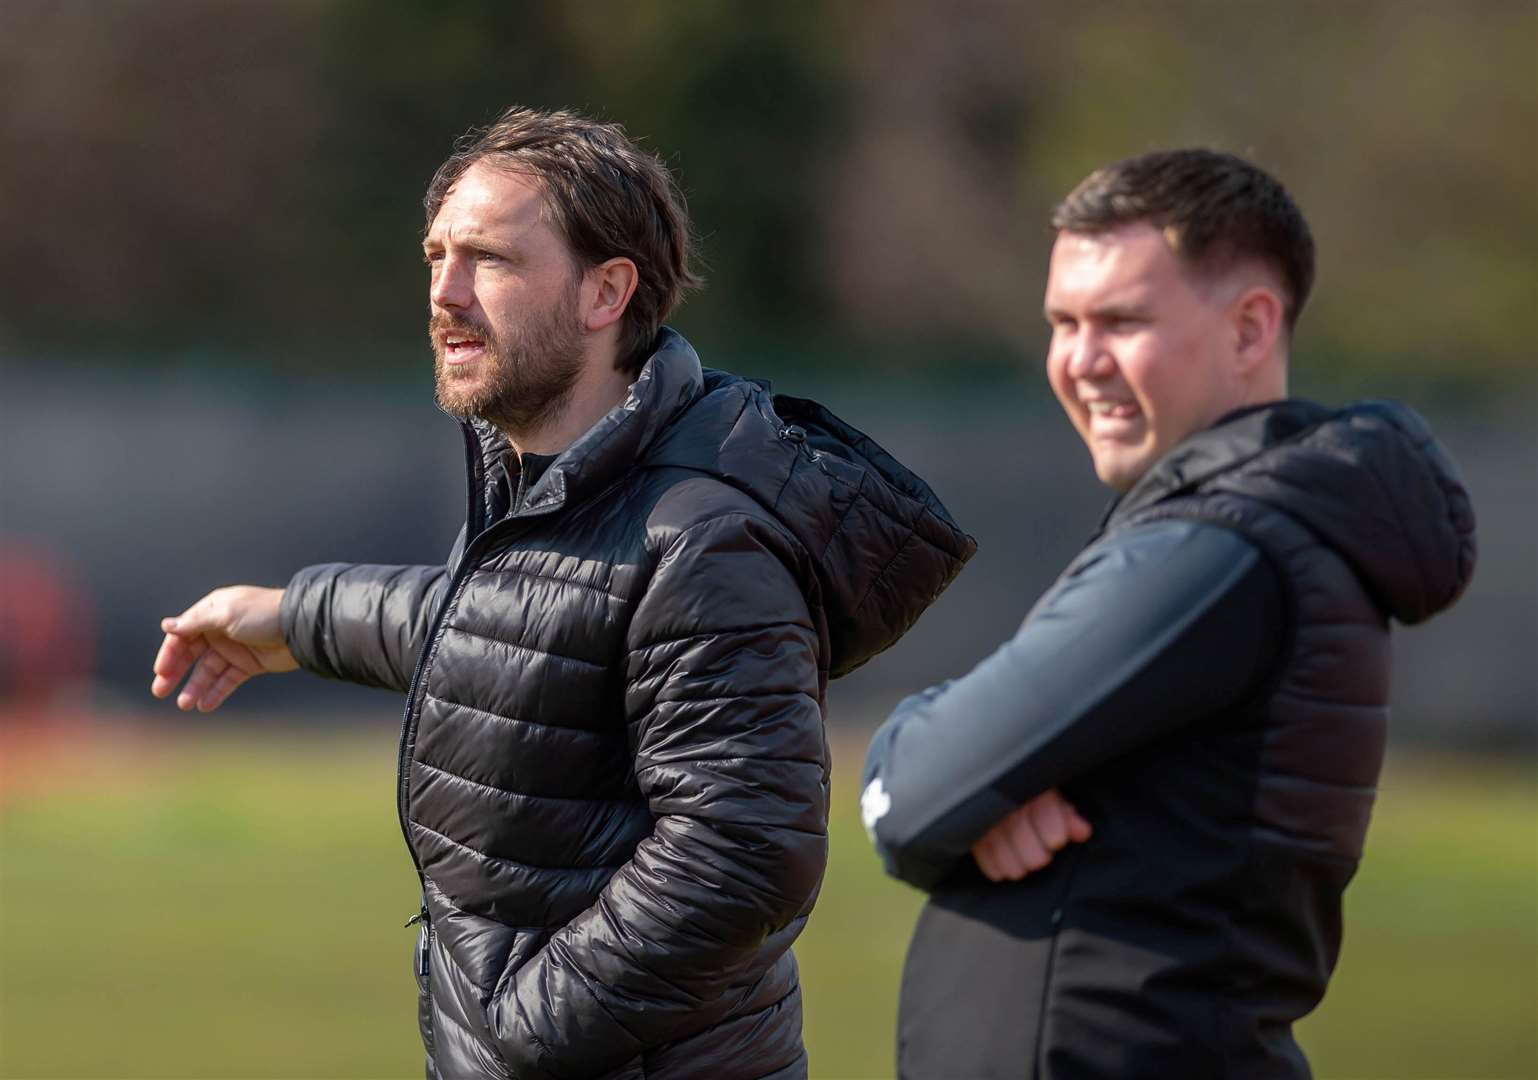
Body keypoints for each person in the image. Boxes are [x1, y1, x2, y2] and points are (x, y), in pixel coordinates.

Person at [151, 106, 975, 1080]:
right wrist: (291, 616)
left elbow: (743, 853)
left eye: (490, 261)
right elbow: (514, 629)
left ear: (605, 292)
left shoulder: (702, 534)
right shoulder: (552, 486)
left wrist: (521, 1037)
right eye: (435, 255)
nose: (444, 294)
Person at [861, 149, 1477, 1078]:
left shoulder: (1220, 550)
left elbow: (911, 797)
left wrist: (924, 760)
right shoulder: (1243, 530)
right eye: (1063, 323)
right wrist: (969, 781)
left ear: (1249, 328)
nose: (1079, 361)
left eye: (1121, 320)